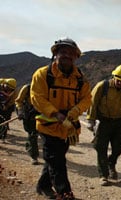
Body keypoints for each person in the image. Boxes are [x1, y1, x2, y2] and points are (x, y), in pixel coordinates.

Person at [30, 37, 92, 199]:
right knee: (56, 160)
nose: (67, 55)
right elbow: (37, 97)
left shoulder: (80, 79)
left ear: (76, 57)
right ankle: (64, 192)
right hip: (48, 126)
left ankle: (43, 186)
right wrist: (55, 113)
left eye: (71, 53)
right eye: (63, 52)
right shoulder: (43, 74)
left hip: (68, 127)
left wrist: (75, 111)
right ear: (55, 54)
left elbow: (87, 99)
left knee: (55, 158)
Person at [86, 64, 121, 186]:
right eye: (118, 80)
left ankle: (111, 162)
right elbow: (92, 103)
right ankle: (103, 175)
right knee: (101, 148)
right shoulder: (103, 86)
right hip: (104, 122)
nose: (120, 83)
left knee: (120, 146)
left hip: (119, 122)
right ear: (113, 76)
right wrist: (91, 120)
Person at [15, 83, 40, 165]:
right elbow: (19, 101)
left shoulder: (48, 87)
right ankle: (33, 155)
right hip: (29, 114)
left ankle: (33, 153)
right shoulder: (27, 88)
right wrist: (20, 111)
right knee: (32, 134)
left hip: (42, 114)